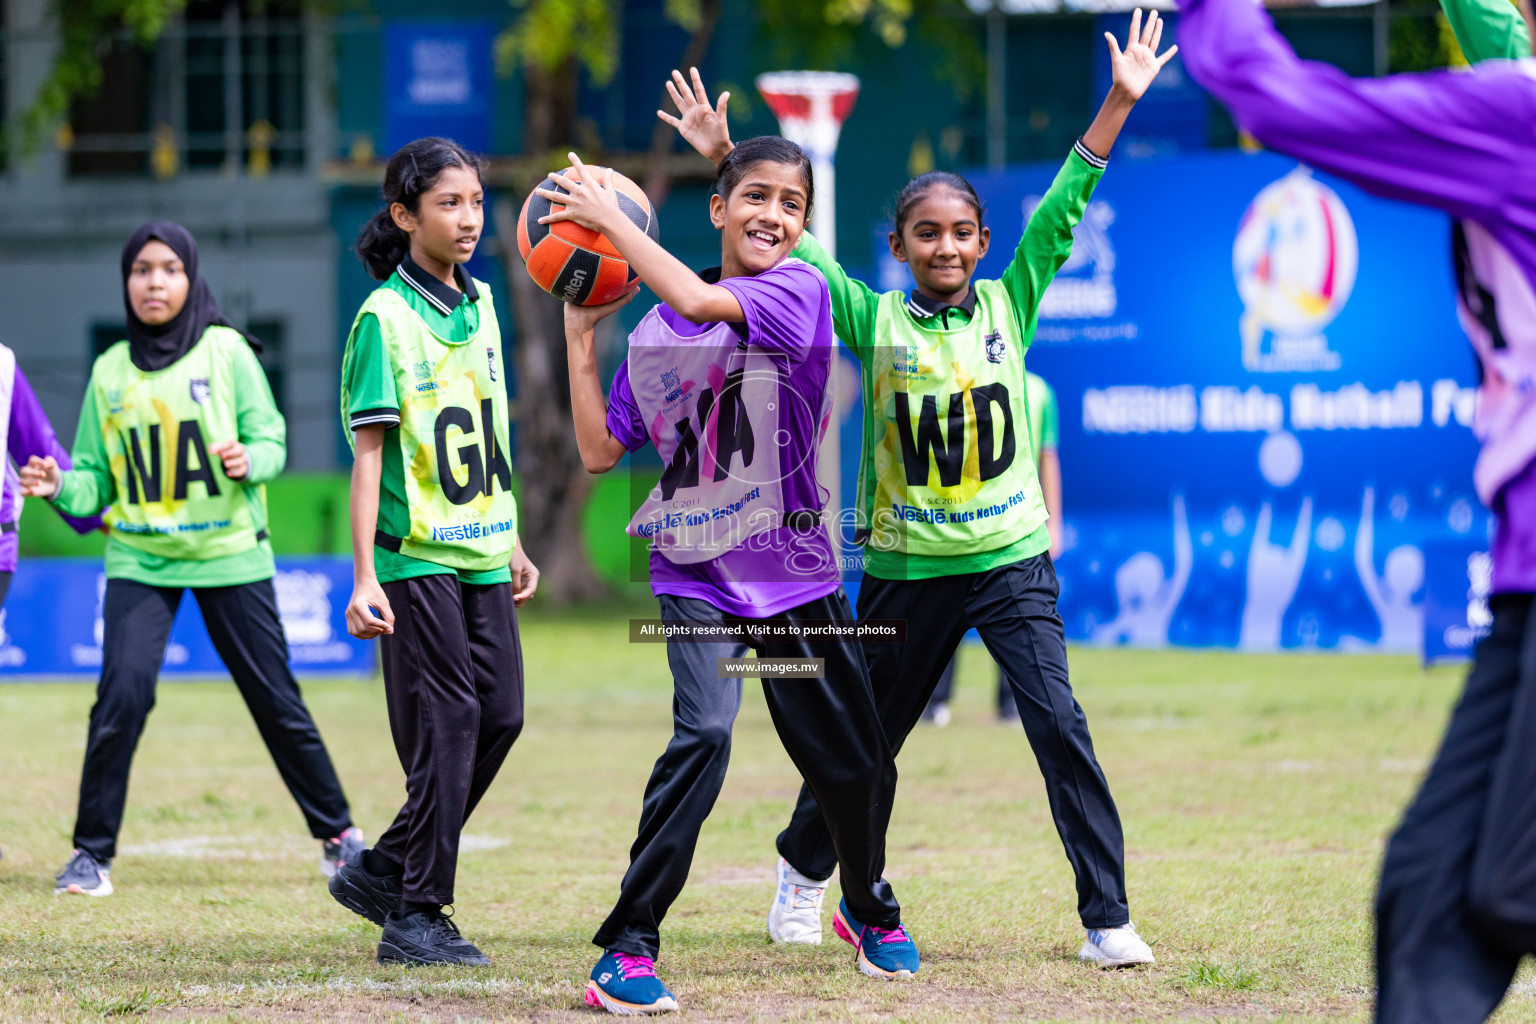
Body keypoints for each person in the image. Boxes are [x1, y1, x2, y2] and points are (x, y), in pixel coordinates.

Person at [661, 11, 1173, 965]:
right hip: (906, 569)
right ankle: (806, 871)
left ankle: (1107, 918)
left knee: (1060, 726)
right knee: (866, 747)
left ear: (982, 243)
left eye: (961, 233)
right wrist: (728, 153)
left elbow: (1064, 206)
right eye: (925, 233)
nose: (945, 246)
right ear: (899, 247)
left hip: (1012, 560)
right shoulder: (870, 315)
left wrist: (1118, 101)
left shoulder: (1011, 306)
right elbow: (785, 236)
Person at [1174, 0, 1536, 1017]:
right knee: (1427, 896)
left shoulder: (1518, 112)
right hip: (1525, 571)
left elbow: (1279, 98)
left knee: (1510, 882)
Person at [545, 138, 917, 1014]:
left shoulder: (798, 291)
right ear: (716, 210)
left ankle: (867, 909)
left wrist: (609, 225)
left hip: (792, 577)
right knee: (705, 735)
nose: (773, 216)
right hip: (697, 575)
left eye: (792, 204)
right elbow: (601, 450)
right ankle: (627, 948)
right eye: (754, 196)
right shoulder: (653, 327)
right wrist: (576, 336)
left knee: (857, 763)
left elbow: (697, 295)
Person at [20, 221, 362, 898]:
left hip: (229, 553)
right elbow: (93, 479)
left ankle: (339, 838)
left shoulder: (227, 352)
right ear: (126, 282)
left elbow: (272, 438)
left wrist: (250, 459)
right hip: (140, 558)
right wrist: (60, 484)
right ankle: (90, 855)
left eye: (169, 269)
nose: (154, 282)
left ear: (190, 278)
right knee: (120, 696)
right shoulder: (110, 371)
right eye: (141, 269)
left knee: (275, 699)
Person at [326, 137, 537, 968]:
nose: (468, 219)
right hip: (416, 557)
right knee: (449, 719)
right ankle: (417, 912)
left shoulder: (482, 306)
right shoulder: (383, 317)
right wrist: (363, 575)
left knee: (504, 714)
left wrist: (514, 535)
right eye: (449, 204)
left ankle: (382, 869)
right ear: (405, 216)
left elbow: (490, 430)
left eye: (477, 203)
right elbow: (369, 456)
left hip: (485, 546)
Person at [923, 370, 1065, 725]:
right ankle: (934, 701)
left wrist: (1054, 521)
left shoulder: (1039, 390)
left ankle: (1011, 703)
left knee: (1017, 617)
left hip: (1013, 527)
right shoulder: (959, 377)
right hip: (957, 522)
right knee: (942, 615)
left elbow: (1047, 456)